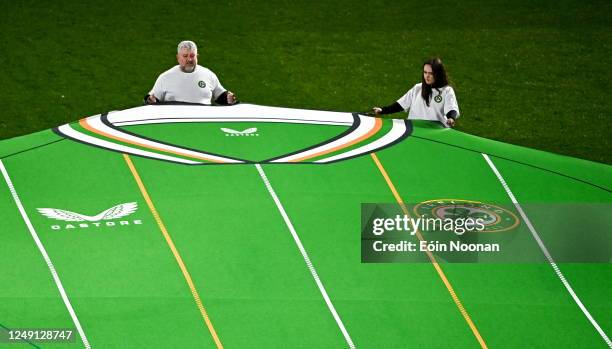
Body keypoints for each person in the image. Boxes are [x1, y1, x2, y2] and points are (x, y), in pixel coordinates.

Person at [372, 57, 459, 127]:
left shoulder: (447, 90)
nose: (427, 76)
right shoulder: (418, 88)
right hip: (415, 130)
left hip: (435, 133)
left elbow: (451, 108)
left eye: (431, 73)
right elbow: (401, 105)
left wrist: (451, 118)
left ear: (438, 74)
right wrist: (383, 110)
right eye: (425, 72)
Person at [145, 40, 237, 105]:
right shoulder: (165, 77)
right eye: (185, 56)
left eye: (192, 56)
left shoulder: (208, 75)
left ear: (197, 56)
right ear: (178, 57)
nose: (189, 59)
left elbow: (221, 96)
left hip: (203, 122)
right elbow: (152, 99)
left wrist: (228, 98)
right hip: (175, 124)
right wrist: (150, 100)